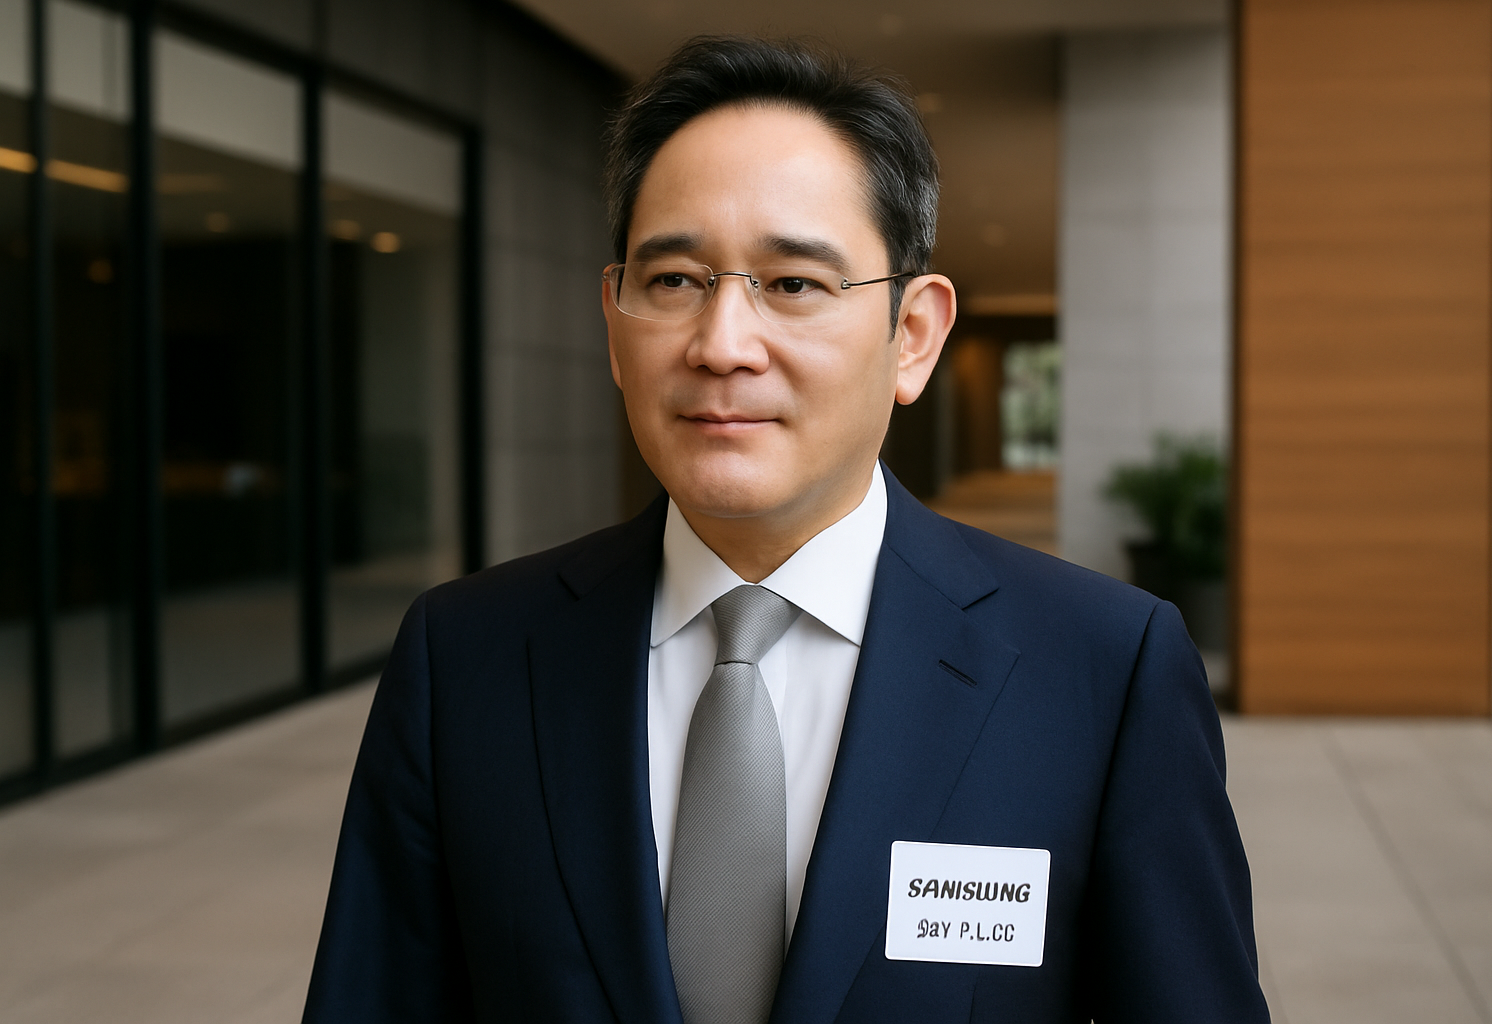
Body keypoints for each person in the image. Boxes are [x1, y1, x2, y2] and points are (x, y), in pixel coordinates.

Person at [302, 36, 1270, 1024]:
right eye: (674, 280)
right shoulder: (466, 656)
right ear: (615, 323)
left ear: (913, 335)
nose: (722, 345)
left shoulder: (1101, 671)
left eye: (794, 283)